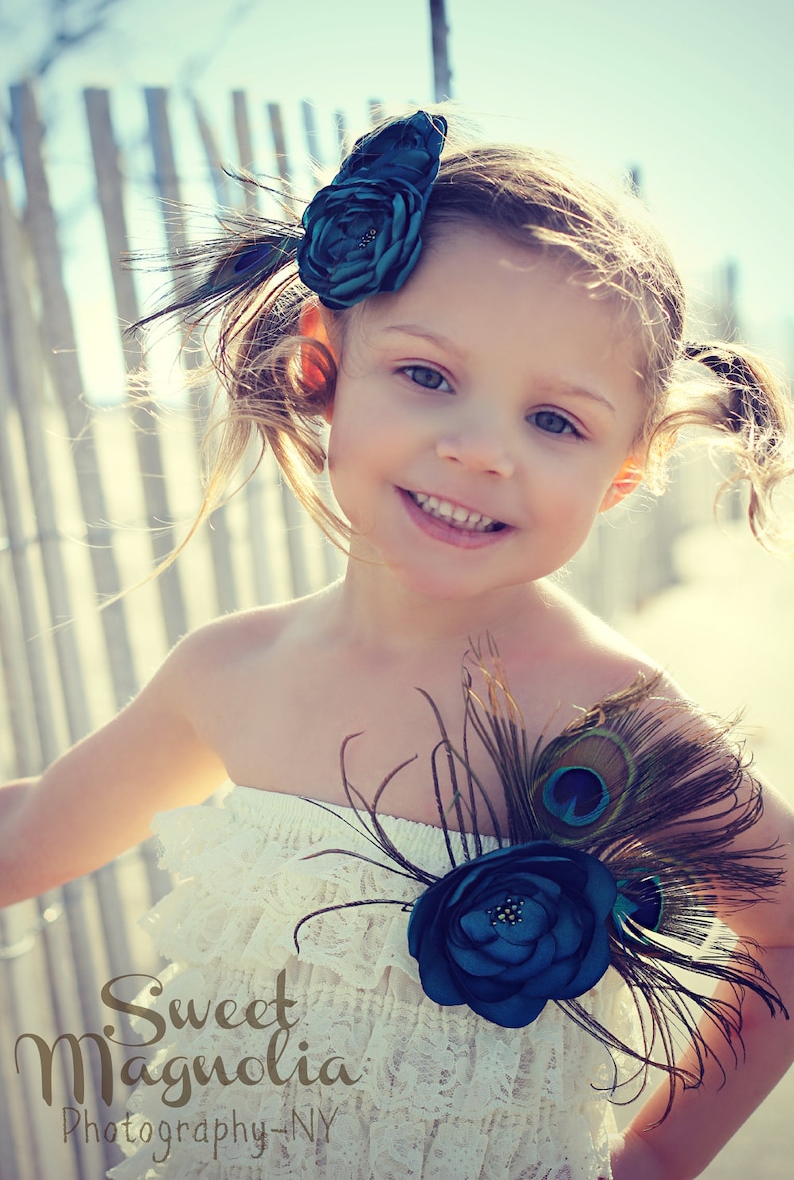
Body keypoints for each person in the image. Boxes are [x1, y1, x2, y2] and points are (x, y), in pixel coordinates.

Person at [1, 110, 793, 1180]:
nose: (475, 451)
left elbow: (785, 925)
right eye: (426, 375)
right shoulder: (226, 675)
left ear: (618, 475)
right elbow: (37, 829)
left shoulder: (604, 718)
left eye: (553, 421)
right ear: (322, 371)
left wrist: (654, 1160)